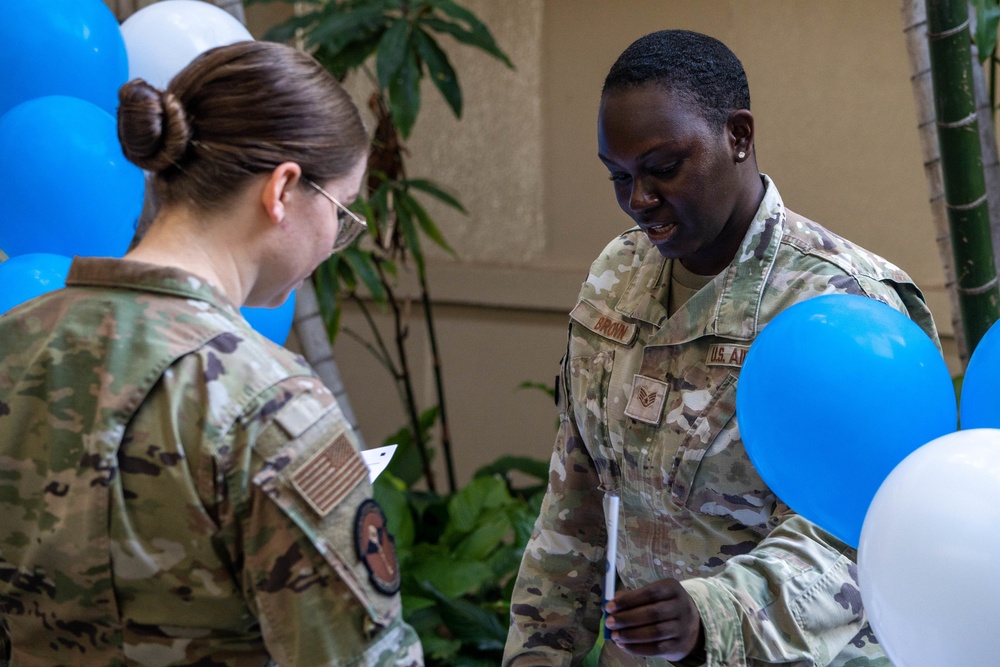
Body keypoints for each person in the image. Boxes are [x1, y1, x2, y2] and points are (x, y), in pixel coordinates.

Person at [503, 29, 938, 667]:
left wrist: (711, 614)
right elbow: (575, 500)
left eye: (663, 168)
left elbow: (857, 535)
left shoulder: (844, 309)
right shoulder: (616, 276)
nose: (639, 201)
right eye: (619, 177)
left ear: (737, 136)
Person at [0, 40, 423, 666]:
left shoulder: (15, 339)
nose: (339, 236)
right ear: (282, 189)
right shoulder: (272, 402)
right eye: (343, 210)